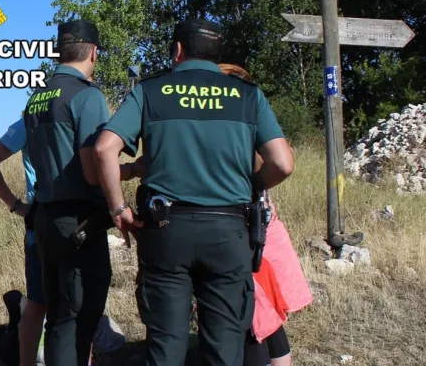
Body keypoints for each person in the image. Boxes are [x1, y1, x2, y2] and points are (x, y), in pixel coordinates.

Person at [94, 19, 295, 366]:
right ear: (217, 53)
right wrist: (252, 186)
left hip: (165, 230)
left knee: (166, 347)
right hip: (229, 231)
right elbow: (283, 163)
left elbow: (103, 149)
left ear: (178, 50)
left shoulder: (151, 91)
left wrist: (118, 208)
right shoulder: (248, 95)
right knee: (225, 349)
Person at [23, 20, 141, 366]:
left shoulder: (37, 97)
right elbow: (93, 169)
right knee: (78, 319)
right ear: (94, 53)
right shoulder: (87, 96)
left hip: (46, 218)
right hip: (79, 224)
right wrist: (131, 171)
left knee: (60, 316)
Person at [218, 63, 313, 366]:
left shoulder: (235, 129)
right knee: (266, 318)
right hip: (261, 229)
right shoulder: (253, 124)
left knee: (252, 323)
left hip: (245, 233)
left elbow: (273, 165)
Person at [0, 116, 46, 366]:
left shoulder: (32, 118)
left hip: (39, 228)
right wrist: (16, 205)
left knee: (37, 306)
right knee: (77, 310)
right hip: (69, 227)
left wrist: (18, 206)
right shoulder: (85, 109)